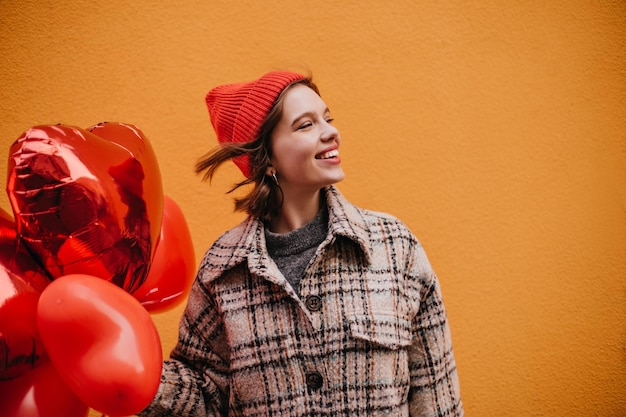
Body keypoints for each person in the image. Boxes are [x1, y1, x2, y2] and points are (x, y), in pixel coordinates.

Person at [139, 70, 463, 416]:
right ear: (267, 159)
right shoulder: (222, 271)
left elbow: (436, 398)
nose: (331, 132)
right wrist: (138, 376)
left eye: (327, 118)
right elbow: (204, 400)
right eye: (305, 125)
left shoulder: (396, 248)